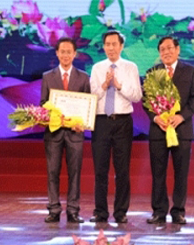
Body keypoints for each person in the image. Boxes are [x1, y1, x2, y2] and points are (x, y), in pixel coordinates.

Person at [144, 36, 194, 224]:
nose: (166, 52)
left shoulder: (190, 71)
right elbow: (147, 102)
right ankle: (159, 211)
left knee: (181, 172)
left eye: (169, 48)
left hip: (182, 130)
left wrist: (181, 116)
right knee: (158, 172)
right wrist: (155, 117)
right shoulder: (153, 72)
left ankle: (178, 211)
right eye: (162, 49)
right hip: (158, 130)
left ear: (178, 50)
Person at [89, 30, 142, 223]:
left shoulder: (131, 67)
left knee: (122, 170)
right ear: (103, 47)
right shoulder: (96, 68)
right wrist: (104, 85)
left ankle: (121, 213)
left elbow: (137, 96)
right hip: (101, 121)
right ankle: (100, 212)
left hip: (122, 122)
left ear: (121, 46)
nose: (111, 48)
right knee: (100, 170)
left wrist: (119, 86)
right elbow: (92, 97)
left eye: (114, 44)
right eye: (107, 44)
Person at [40, 37, 90, 223]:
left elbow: (87, 106)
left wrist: (82, 122)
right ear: (57, 53)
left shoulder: (84, 77)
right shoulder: (47, 77)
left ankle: (73, 210)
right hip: (54, 133)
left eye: (69, 52)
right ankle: (53, 209)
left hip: (75, 132)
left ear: (75, 54)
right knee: (53, 171)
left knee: (75, 172)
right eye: (63, 51)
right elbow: (43, 104)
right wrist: (53, 116)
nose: (66, 55)